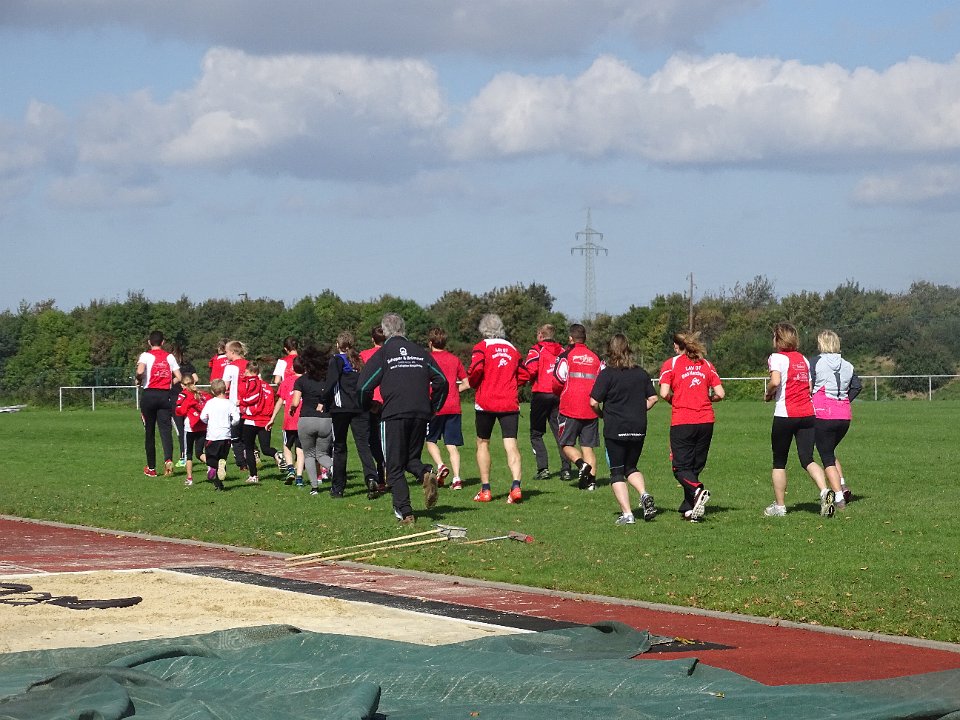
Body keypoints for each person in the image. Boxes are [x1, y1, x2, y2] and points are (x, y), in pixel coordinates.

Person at [357, 313, 448, 524]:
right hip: (420, 413)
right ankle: (425, 473)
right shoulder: (420, 352)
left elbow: (363, 387)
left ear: (384, 331)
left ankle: (405, 512)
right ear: (403, 329)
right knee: (411, 460)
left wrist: (367, 406)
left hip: (393, 414)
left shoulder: (383, 353)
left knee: (394, 466)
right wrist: (433, 407)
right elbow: (442, 381)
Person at [764, 322, 834, 517]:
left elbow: (775, 381)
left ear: (778, 339)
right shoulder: (803, 359)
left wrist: (768, 393)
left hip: (786, 414)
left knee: (779, 462)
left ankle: (780, 507)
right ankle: (824, 492)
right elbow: (809, 387)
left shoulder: (776, 357)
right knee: (808, 459)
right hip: (808, 414)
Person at [589, 334, 659, 524]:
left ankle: (628, 514)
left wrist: (601, 414)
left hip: (616, 428)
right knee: (631, 467)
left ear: (610, 350)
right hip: (638, 427)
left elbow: (593, 401)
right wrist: (639, 410)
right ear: (628, 349)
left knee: (617, 471)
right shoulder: (641, 373)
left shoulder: (607, 374)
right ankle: (644, 494)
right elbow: (653, 398)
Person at [658, 331, 725, 522]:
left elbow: (663, 393)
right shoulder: (706, 364)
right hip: (706, 421)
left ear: (677, 346)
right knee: (694, 466)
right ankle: (690, 509)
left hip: (683, 421)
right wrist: (708, 399)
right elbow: (720, 393)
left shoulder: (671, 364)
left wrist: (676, 400)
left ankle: (697, 490)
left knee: (680, 468)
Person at [467, 313, 530, 504]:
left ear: (483, 329)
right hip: (509, 402)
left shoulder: (481, 347)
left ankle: (485, 490)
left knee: (483, 443)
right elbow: (524, 374)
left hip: (486, 401)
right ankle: (516, 486)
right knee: (511, 444)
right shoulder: (512, 349)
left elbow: (476, 369)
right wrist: (510, 385)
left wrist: (474, 383)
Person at [810, 330, 862, 510]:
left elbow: (809, 385)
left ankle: (839, 497)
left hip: (823, 413)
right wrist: (843, 400)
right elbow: (857, 386)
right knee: (829, 451)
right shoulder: (848, 364)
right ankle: (843, 485)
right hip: (844, 415)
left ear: (821, 343)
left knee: (826, 457)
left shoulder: (816, 362)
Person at [326, 331, 380, 499]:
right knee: (363, 445)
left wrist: (323, 401)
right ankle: (371, 477)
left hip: (341, 409)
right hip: (360, 408)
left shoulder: (336, 360)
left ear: (338, 345)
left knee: (339, 447)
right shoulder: (359, 361)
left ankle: (338, 488)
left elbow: (331, 382)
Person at [553, 323, 602, 491]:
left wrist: (561, 393)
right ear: (585, 338)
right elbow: (602, 381)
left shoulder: (566, 356)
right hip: (591, 407)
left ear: (570, 338)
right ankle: (591, 483)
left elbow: (557, 380)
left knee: (565, 444)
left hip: (570, 406)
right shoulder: (595, 357)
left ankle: (581, 465)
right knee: (588, 447)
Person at [524, 323, 572, 480]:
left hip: (541, 394)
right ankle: (566, 469)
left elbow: (531, 370)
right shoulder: (563, 351)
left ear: (540, 335)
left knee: (536, 433)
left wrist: (526, 380)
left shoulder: (536, 349)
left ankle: (543, 469)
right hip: (558, 395)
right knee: (560, 432)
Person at [425, 327, 469, 490]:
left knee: (430, 440)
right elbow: (466, 383)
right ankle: (457, 479)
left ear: (430, 343)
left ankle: (440, 465)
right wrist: (454, 391)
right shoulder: (454, 359)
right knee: (452, 444)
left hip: (435, 406)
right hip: (453, 406)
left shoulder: (427, 359)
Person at [290, 344, 335, 497]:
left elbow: (295, 402)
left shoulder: (301, 380)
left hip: (306, 419)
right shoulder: (327, 380)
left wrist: (292, 409)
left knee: (309, 454)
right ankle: (333, 467)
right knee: (322, 454)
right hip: (325, 420)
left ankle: (314, 488)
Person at [136, 330, 182, 477]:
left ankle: (151, 468)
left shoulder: (145, 355)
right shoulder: (169, 356)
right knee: (166, 431)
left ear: (149, 342)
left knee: (149, 432)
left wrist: (138, 379)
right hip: (165, 395)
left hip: (149, 395)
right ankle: (168, 459)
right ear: (163, 342)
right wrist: (169, 383)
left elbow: (140, 371)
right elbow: (179, 377)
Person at [238, 361, 282, 485]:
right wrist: (269, 417)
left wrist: (241, 403)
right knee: (266, 448)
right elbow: (271, 402)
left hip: (252, 419)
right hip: (265, 420)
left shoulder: (251, 383)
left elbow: (251, 399)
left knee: (249, 448)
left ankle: (253, 475)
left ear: (249, 371)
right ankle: (276, 454)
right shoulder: (267, 387)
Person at [359, 324, 388, 487]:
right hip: (388, 400)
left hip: (370, 402)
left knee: (372, 439)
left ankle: (380, 468)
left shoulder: (364, 355)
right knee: (387, 438)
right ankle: (388, 469)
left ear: (372, 339)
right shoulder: (390, 354)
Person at [269, 356, 305, 486]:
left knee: (287, 445)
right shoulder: (308, 380)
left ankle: (290, 470)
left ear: (292, 368)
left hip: (290, 420)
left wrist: (272, 418)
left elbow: (280, 400)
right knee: (300, 449)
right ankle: (299, 477)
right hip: (304, 420)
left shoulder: (287, 382)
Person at [199, 379, 240, 491]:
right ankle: (219, 484)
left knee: (211, 458)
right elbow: (237, 418)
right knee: (222, 459)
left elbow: (202, 417)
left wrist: (208, 422)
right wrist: (232, 423)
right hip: (226, 436)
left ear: (212, 391)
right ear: (225, 389)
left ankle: (215, 468)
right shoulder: (229, 403)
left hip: (213, 436)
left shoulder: (210, 403)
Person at [175, 374, 211, 487]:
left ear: (182, 385)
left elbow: (179, 410)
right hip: (203, 426)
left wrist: (183, 408)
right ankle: (212, 465)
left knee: (188, 454)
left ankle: (189, 478)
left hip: (190, 427)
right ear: (194, 382)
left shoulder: (184, 394)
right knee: (199, 452)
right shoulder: (202, 394)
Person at [221, 340, 250, 472]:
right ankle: (251, 459)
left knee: (236, 437)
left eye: (226, 352)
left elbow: (224, 386)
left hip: (236, 406)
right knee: (247, 436)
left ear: (232, 352)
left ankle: (242, 463)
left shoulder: (230, 367)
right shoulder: (249, 364)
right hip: (250, 405)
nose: (225, 355)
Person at [170, 344, 199, 468]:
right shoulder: (188, 366)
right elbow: (196, 378)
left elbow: (170, 383)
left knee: (180, 430)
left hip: (176, 400)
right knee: (190, 427)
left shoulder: (172, 368)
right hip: (189, 399)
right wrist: (189, 385)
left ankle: (183, 457)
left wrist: (178, 380)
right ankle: (194, 452)